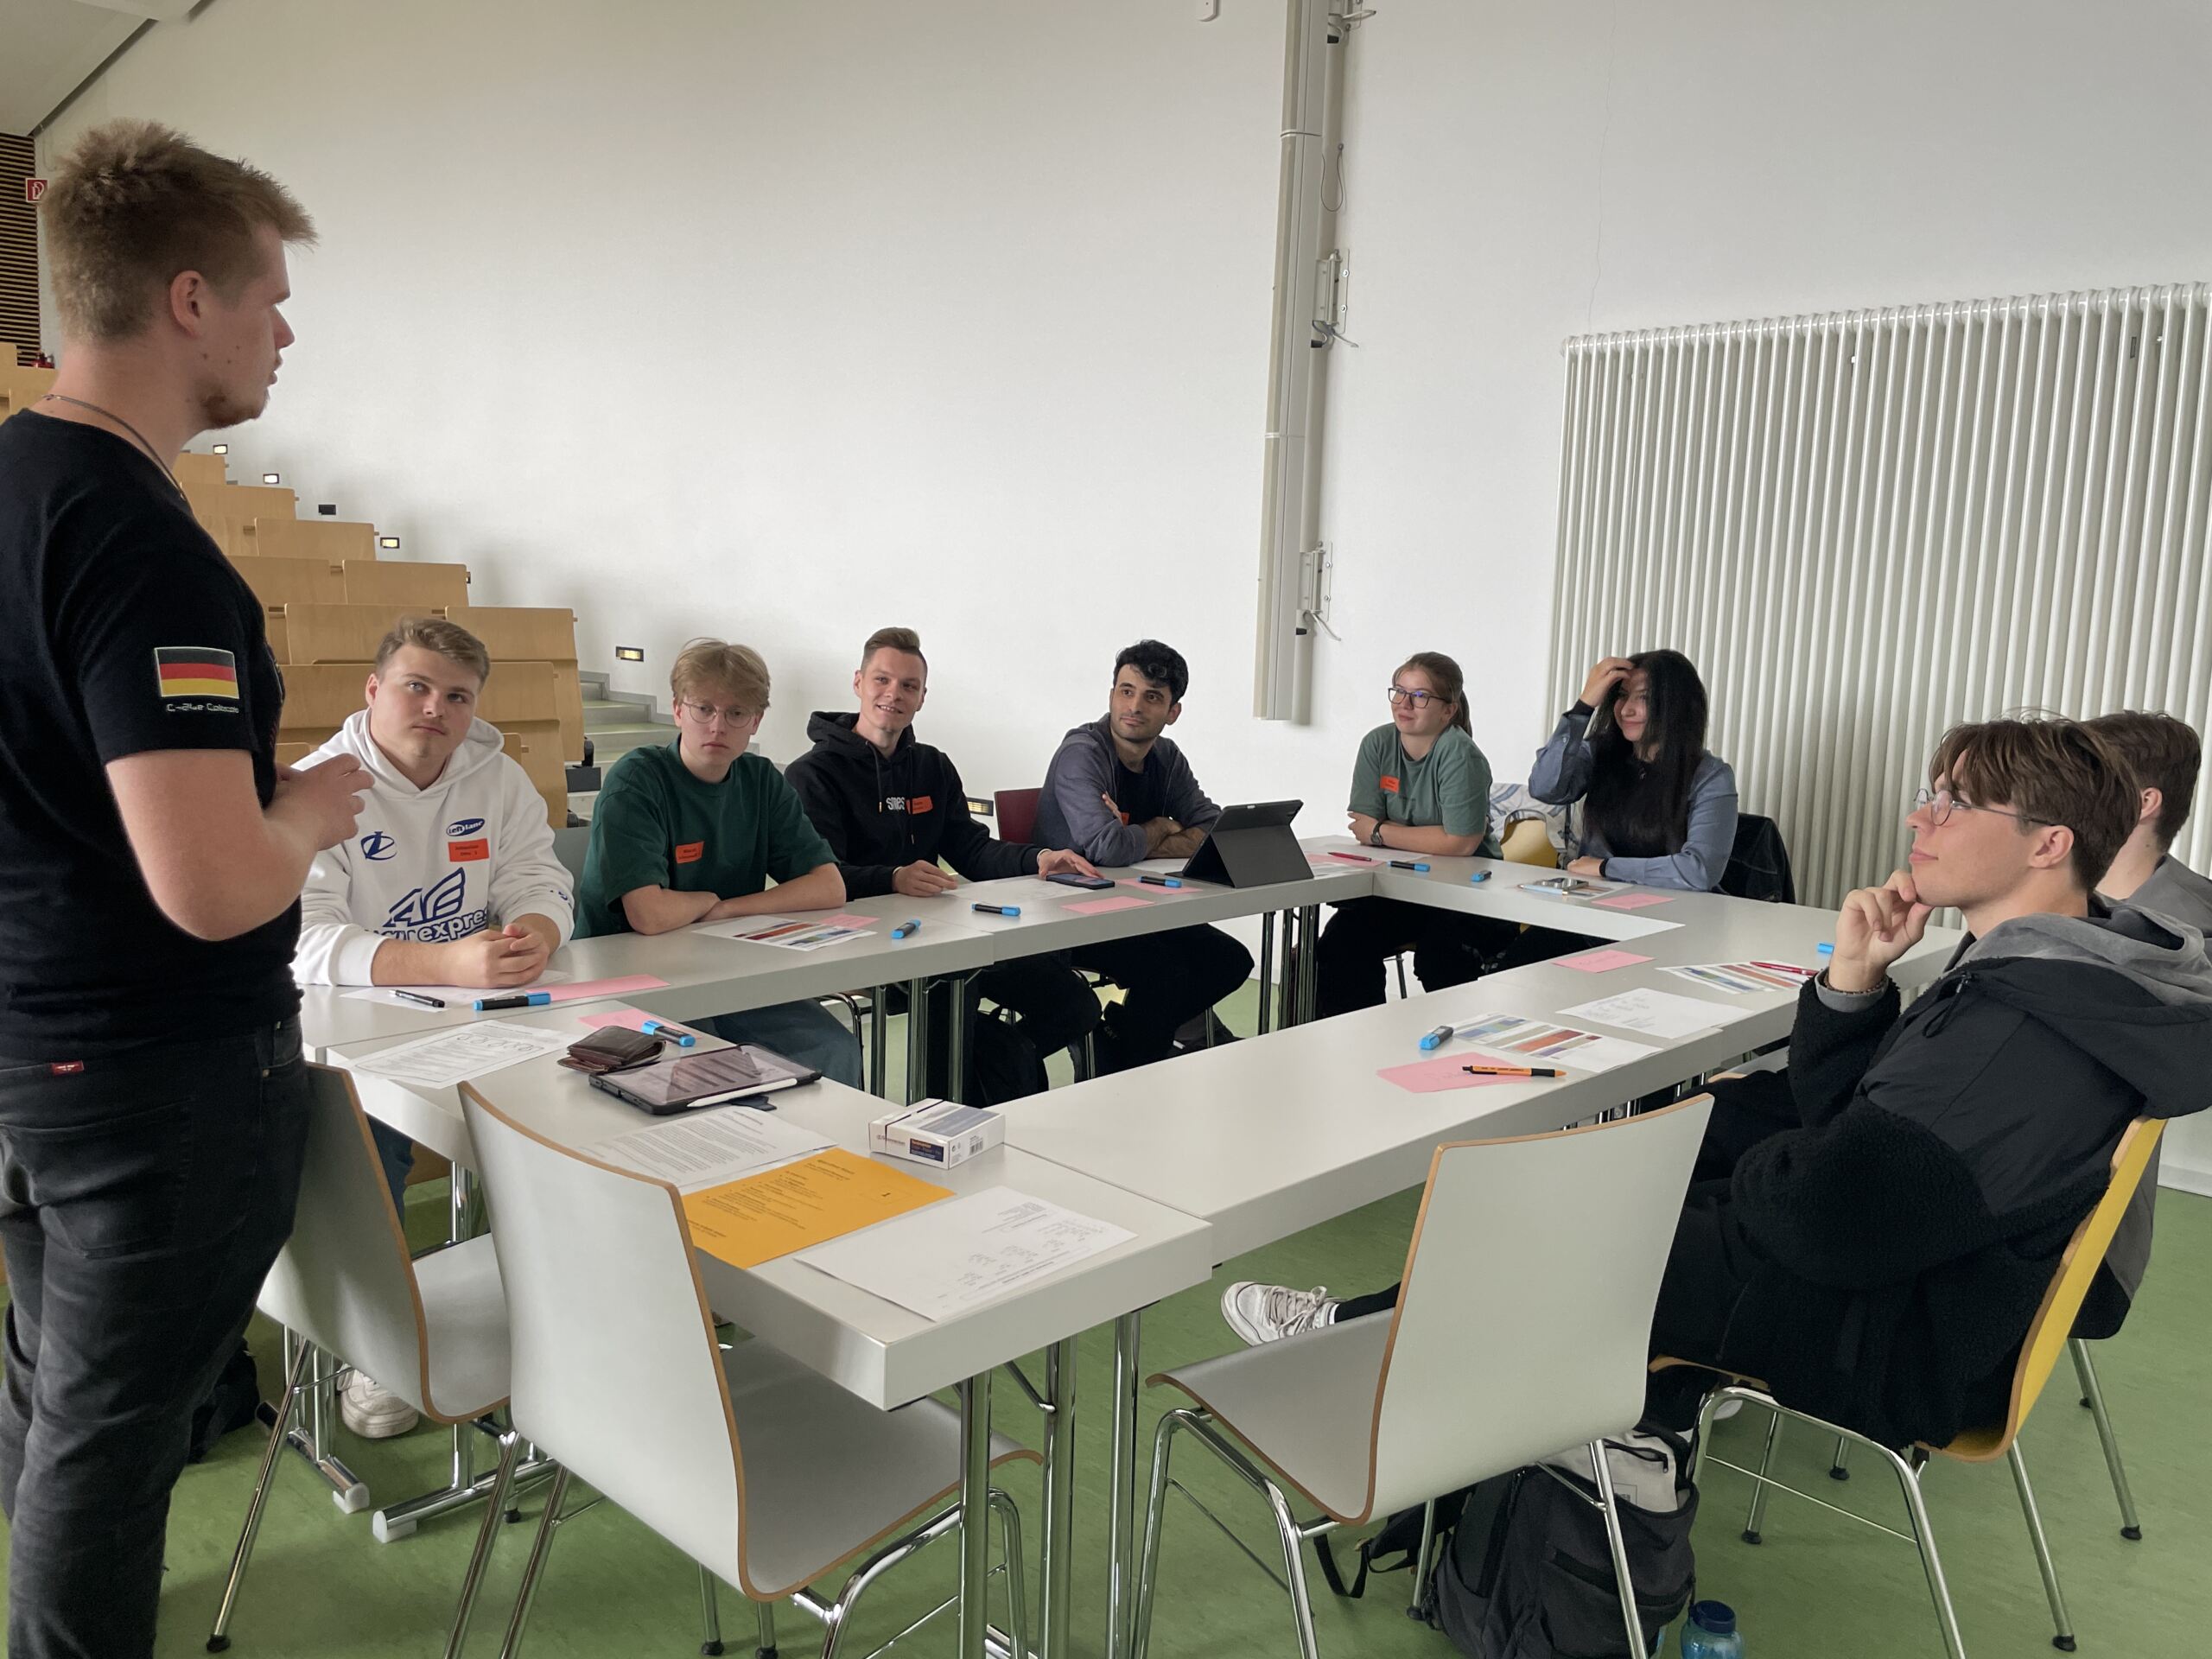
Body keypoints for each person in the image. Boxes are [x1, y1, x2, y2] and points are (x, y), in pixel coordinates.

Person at [1223, 717, 2212, 1451]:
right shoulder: (2056, 971)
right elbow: (1855, 1127)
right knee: (1659, 1165)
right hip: (1901, 1287)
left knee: (1563, 1218)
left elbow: (1834, 1209)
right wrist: (1852, 985)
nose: (1922, 816)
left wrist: (1760, 1173)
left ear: (2048, 845)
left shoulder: (2024, 1023)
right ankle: (1546, 1407)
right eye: (1932, 791)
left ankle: (1354, 1361)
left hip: (1884, 1339)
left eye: (1957, 801)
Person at [0, 122, 371, 1659]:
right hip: (150, 1088)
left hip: (31, 1053)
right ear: (189, 297)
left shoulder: (16, 482)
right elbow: (214, 886)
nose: (288, 330)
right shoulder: (138, 544)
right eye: (273, 295)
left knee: (52, 1399)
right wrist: (311, 802)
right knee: (107, 1446)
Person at [292, 616, 575, 1439]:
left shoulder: (499, 780)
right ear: (374, 691)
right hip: (352, 1029)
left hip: (485, 1010)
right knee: (366, 1151)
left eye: (456, 695)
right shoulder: (318, 786)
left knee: (574, 1104)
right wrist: (443, 964)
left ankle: (558, 1303)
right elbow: (303, 941)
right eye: (416, 687)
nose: (435, 709)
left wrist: (535, 935)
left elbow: (539, 876)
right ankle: (377, 1350)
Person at [785, 627, 1103, 1102]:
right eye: (882, 680)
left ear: (922, 697)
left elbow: (971, 848)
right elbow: (821, 878)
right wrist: (892, 877)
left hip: (942, 932)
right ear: (858, 683)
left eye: (908, 686)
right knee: (952, 993)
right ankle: (947, 1115)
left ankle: (998, 1061)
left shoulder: (933, 766)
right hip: (860, 939)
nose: (893, 694)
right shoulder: (812, 774)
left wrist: (1038, 857)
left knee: (1073, 1003)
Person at [575, 639, 861, 1084]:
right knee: (706, 1067)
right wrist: (712, 897)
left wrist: (727, 909)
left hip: (727, 974)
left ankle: (824, 1155)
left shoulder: (762, 780)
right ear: (677, 710)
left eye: (735, 713)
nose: (717, 726)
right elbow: (649, 915)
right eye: (703, 708)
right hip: (629, 983)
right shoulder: (636, 780)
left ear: (755, 721)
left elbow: (828, 887)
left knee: (832, 1048)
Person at [1035, 640, 1254, 1072]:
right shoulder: (1082, 753)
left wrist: (1136, 835)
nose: (1134, 706)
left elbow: (1213, 829)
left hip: (1139, 907)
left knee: (1231, 960)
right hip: (1068, 915)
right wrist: (1162, 825)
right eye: (1126, 691)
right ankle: (1132, 1061)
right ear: (1112, 694)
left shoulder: (1166, 758)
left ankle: (1116, 1039)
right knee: (1167, 974)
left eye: (1152, 697)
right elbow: (1106, 847)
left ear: (1172, 712)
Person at [2082, 709, 2210, 1336]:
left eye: (2081, 775)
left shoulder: (2183, 937)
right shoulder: (2067, 901)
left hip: (2079, 1240)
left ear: (2141, 802)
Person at [1316, 652, 1508, 1015]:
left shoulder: (1459, 754)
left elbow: (1462, 842)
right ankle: (1359, 1042)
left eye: (1420, 696)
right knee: (1341, 942)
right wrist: (1383, 831)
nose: (1405, 704)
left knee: (1441, 957)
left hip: (1466, 895)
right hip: (1403, 887)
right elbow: (1361, 823)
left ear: (1447, 711)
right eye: (1399, 692)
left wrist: (1380, 831)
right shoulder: (1377, 743)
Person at [1529, 650, 1738, 889]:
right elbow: (1544, 788)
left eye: (1645, 698)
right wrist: (1584, 706)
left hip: (1675, 912)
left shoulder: (1710, 776)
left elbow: (1698, 871)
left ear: (1676, 706)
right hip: (1596, 903)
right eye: (1622, 695)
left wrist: (1605, 868)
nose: (1627, 709)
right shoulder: (1599, 753)